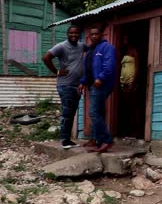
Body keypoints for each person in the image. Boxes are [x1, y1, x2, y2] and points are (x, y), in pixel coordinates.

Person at [42, 25, 87, 149]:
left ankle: (67, 139)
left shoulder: (82, 46)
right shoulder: (61, 46)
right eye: (71, 33)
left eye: (76, 33)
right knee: (67, 113)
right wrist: (56, 72)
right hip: (65, 85)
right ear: (67, 34)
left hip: (77, 86)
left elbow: (93, 49)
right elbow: (46, 58)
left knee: (71, 113)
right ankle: (65, 141)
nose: (74, 35)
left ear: (79, 34)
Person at [78, 24, 116, 153]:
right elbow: (87, 69)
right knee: (98, 112)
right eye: (91, 34)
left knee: (94, 112)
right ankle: (96, 139)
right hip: (92, 84)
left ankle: (106, 140)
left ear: (101, 35)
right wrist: (82, 82)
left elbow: (109, 65)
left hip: (102, 84)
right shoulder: (90, 50)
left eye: (96, 34)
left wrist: (101, 78)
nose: (94, 36)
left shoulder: (107, 47)